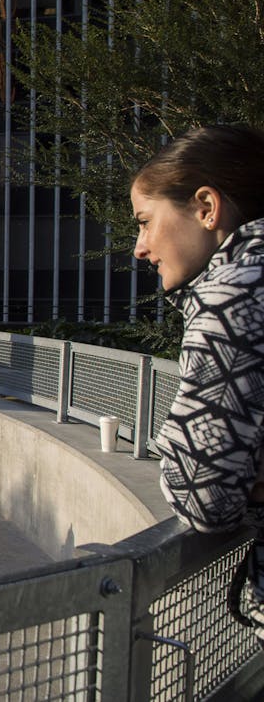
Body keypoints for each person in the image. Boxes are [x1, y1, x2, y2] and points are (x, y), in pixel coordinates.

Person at [132, 124, 264, 634]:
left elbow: (201, 496)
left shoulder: (233, 293)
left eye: (145, 221)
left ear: (207, 208)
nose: (140, 248)